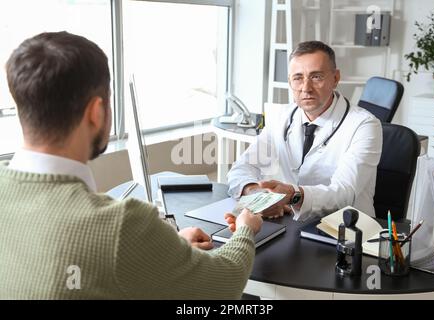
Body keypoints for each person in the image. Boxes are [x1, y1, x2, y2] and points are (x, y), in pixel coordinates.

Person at [0, 31, 262, 299]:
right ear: (96, 112)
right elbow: (224, 283)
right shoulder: (120, 225)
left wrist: (162, 254)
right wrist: (245, 230)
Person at [228, 41, 382, 221]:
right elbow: (242, 167)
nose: (306, 88)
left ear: (335, 78)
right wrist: (258, 195)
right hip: (294, 224)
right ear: (290, 81)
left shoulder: (365, 125)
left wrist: (293, 195)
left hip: (346, 231)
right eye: (298, 78)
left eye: (316, 77)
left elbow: (344, 193)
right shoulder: (281, 116)